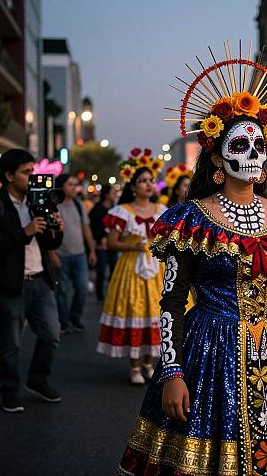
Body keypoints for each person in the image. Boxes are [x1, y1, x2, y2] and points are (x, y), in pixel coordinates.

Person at [116, 44, 267, 475]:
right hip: (210, 350)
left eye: (258, 143)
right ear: (217, 157)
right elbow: (172, 301)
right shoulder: (190, 220)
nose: (253, 153)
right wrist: (173, 372)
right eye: (240, 143)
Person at [0, 149, 63, 413]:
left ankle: (38, 380)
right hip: (10, 284)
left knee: (51, 334)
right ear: (8, 175)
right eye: (27, 173)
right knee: (11, 343)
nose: (32, 177)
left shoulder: (38, 200)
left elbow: (51, 242)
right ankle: (9, 390)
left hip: (41, 279)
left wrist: (56, 229)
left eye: (33, 171)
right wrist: (24, 232)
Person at [97, 149, 166, 385]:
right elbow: (111, 243)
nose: (148, 185)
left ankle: (149, 363)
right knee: (134, 311)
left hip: (157, 269)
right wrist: (134, 247)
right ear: (133, 186)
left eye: (150, 181)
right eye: (143, 181)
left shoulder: (162, 211)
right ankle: (134, 366)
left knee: (155, 313)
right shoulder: (122, 212)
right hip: (130, 269)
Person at [54, 173, 97, 334]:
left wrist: (92, 250)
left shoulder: (79, 205)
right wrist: (52, 254)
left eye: (74, 184)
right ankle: (63, 321)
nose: (74, 188)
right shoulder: (54, 205)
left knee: (82, 288)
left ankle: (75, 316)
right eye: (70, 184)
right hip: (60, 254)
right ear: (62, 186)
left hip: (79, 254)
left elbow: (86, 228)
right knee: (62, 291)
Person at [89, 184, 119, 302]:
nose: (115, 195)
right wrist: (99, 238)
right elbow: (92, 226)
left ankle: (111, 294)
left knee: (114, 271)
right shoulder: (98, 208)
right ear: (106, 195)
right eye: (113, 192)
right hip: (101, 246)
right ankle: (100, 295)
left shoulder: (115, 209)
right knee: (101, 272)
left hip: (113, 245)